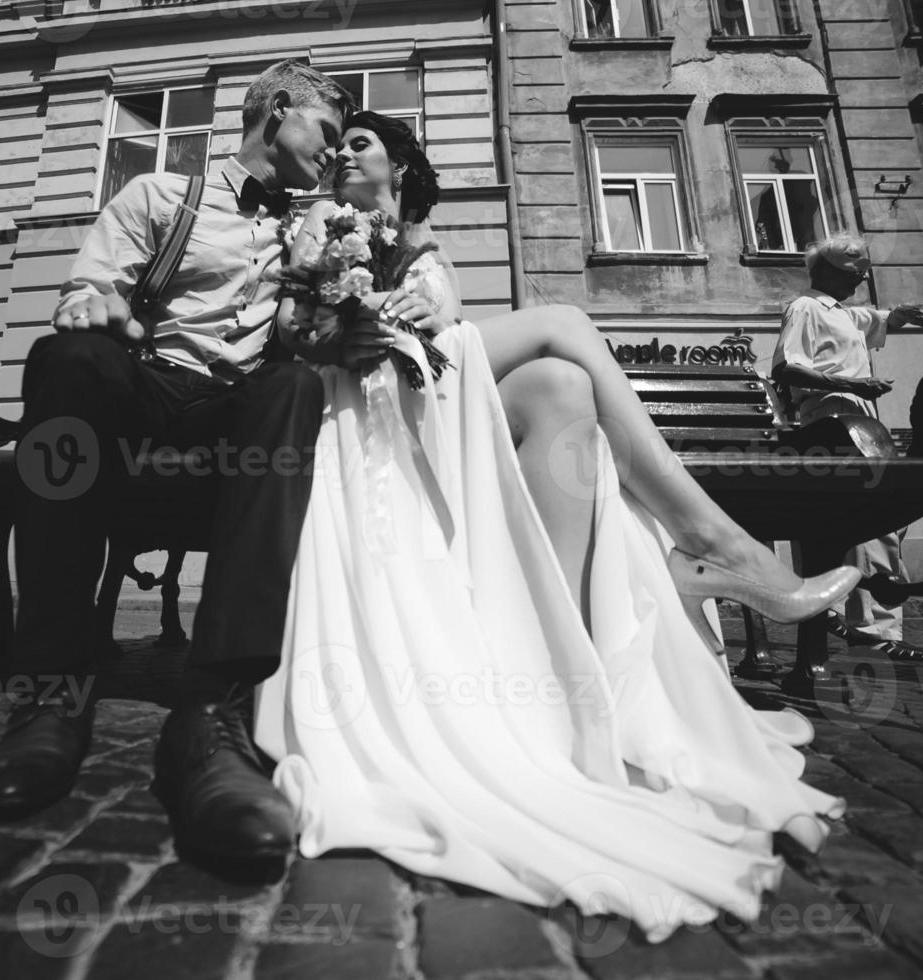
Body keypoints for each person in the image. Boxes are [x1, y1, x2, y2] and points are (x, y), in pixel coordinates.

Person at [251, 111, 858, 940]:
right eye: (338, 141)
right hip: (356, 388)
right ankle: (714, 541)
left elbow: (437, 320)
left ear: (398, 165)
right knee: (565, 323)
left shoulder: (425, 243)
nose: (342, 152)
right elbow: (292, 331)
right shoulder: (314, 221)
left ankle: (567, 651)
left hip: (425, 384)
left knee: (564, 392)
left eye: (361, 142)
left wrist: (408, 298)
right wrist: (339, 297)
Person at [0, 62, 354, 850]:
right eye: (327, 130)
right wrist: (99, 310)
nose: (334, 151)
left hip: (235, 410)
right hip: (146, 388)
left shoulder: (321, 227)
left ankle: (214, 714)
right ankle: (51, 694)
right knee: (69, 358)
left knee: (292, 388)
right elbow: (86, 290)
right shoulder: (157, 195)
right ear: (278, 111)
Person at [771, 235, 923, 661]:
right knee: (874, 515)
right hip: (832, 418)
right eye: (851, 275)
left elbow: (883, 318)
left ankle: (847, 613)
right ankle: (874, 626)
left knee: (874, 518)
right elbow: (786, 366)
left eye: (863, 275)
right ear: (824, 271)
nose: (859, 282)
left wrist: (906, 313)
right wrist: (851, 382)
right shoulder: (806, 307)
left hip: (860, 418)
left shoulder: (846, 313)